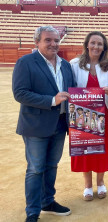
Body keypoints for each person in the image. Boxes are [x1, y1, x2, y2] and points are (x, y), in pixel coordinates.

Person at [12, 26, 75, 222]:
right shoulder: (26, 62)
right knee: (35, 168)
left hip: (59, 124)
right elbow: (20, 93)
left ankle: (48, 201)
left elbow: (71, 91)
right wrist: (51, 100)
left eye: (56, 40)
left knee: (51, 165)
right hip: (36, 125)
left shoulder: (65, 65)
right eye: (48, 40)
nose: (53, 44)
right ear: (37, 42)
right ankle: (32, 211)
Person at [70, 31, 108, 201]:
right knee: (84, 146)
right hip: (82, 114)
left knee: (102, 147)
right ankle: (88, 186)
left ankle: (101, 182)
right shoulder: (75, 64)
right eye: (93, 43)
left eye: (100, 44)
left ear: (104, 47)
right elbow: (70, 86)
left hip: (104, 112)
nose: (96, 46)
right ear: (87, 45)